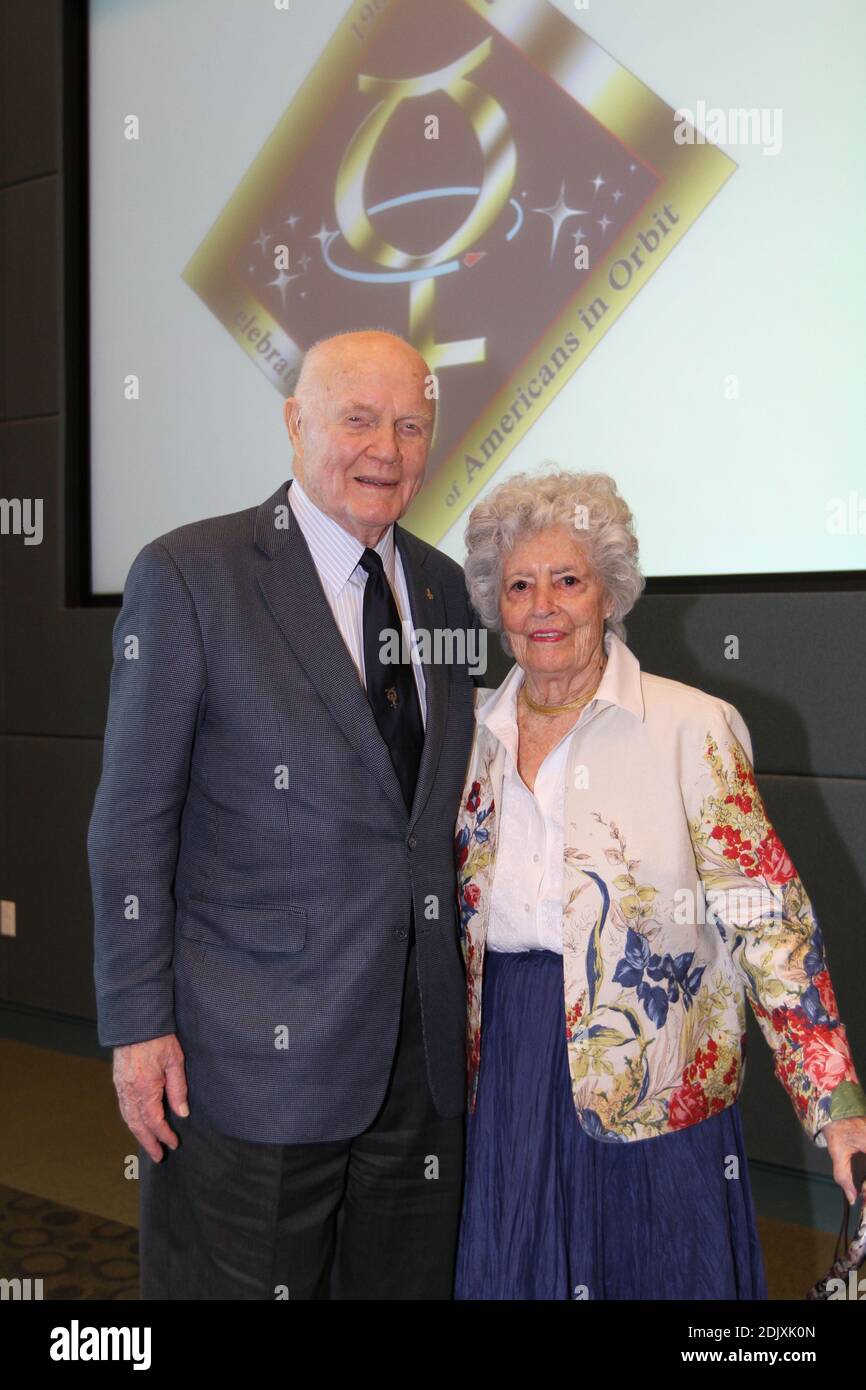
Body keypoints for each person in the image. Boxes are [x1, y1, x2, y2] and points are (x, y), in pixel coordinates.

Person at [88, 329, 481, 1299]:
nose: (384, 449)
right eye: (357, 418)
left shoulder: (444, 591)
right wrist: (137, 1027)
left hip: (418, 1065)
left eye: (409, 425)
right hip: (251, 1064)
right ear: (293, 421)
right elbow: (131, 823)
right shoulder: (191, 576)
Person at [453, 468, 866, 1300]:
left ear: (611, 593)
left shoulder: (688, 726)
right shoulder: (471, 737)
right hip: (507, 1068)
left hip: (659, 1083)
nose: (543, 606)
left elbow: (769, 923)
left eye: (568, 581)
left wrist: (836, 1103)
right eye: (520, 585)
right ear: (496, 604)